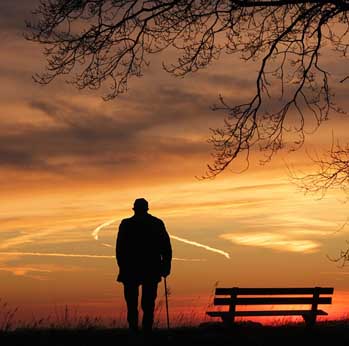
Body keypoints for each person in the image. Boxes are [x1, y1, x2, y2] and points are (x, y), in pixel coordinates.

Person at [116, 198, 172, 335]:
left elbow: (119, 249)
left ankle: (135, 330)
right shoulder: (156, 223)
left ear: (134, 209)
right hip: (149, 269)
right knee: (146, 304)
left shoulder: (126, 224)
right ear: (146, 209)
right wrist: (165, 266)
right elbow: (166, 248)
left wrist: (122, 266)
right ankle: (145, 330)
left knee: (134, 304)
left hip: (133, 269)